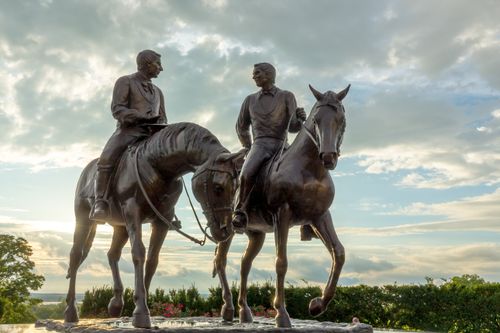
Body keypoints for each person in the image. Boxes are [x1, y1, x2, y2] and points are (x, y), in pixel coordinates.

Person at [90, 49, 167, 221]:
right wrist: (142, 117)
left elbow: (163, 116)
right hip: (128, 132)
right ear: (147, 64)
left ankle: (166, 207)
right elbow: (118, 109)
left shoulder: (158, 92)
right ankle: (100, 202)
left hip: (152, 137)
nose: (161, 69)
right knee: (106, 160)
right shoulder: (126, 81)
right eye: (158, 64)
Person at [232, 62, 306, 229]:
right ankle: (240, 211)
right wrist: (248, 147)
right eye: (254, 73)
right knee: (246, 174)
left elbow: (293, 127)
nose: (254, 76)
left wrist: (300, 119)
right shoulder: (249, 100)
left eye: (257, 73)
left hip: (282, 146)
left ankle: (307, 220)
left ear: (269, 75)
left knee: (303, 174)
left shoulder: (287, 96)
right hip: (260, 145)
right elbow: (241, 127)